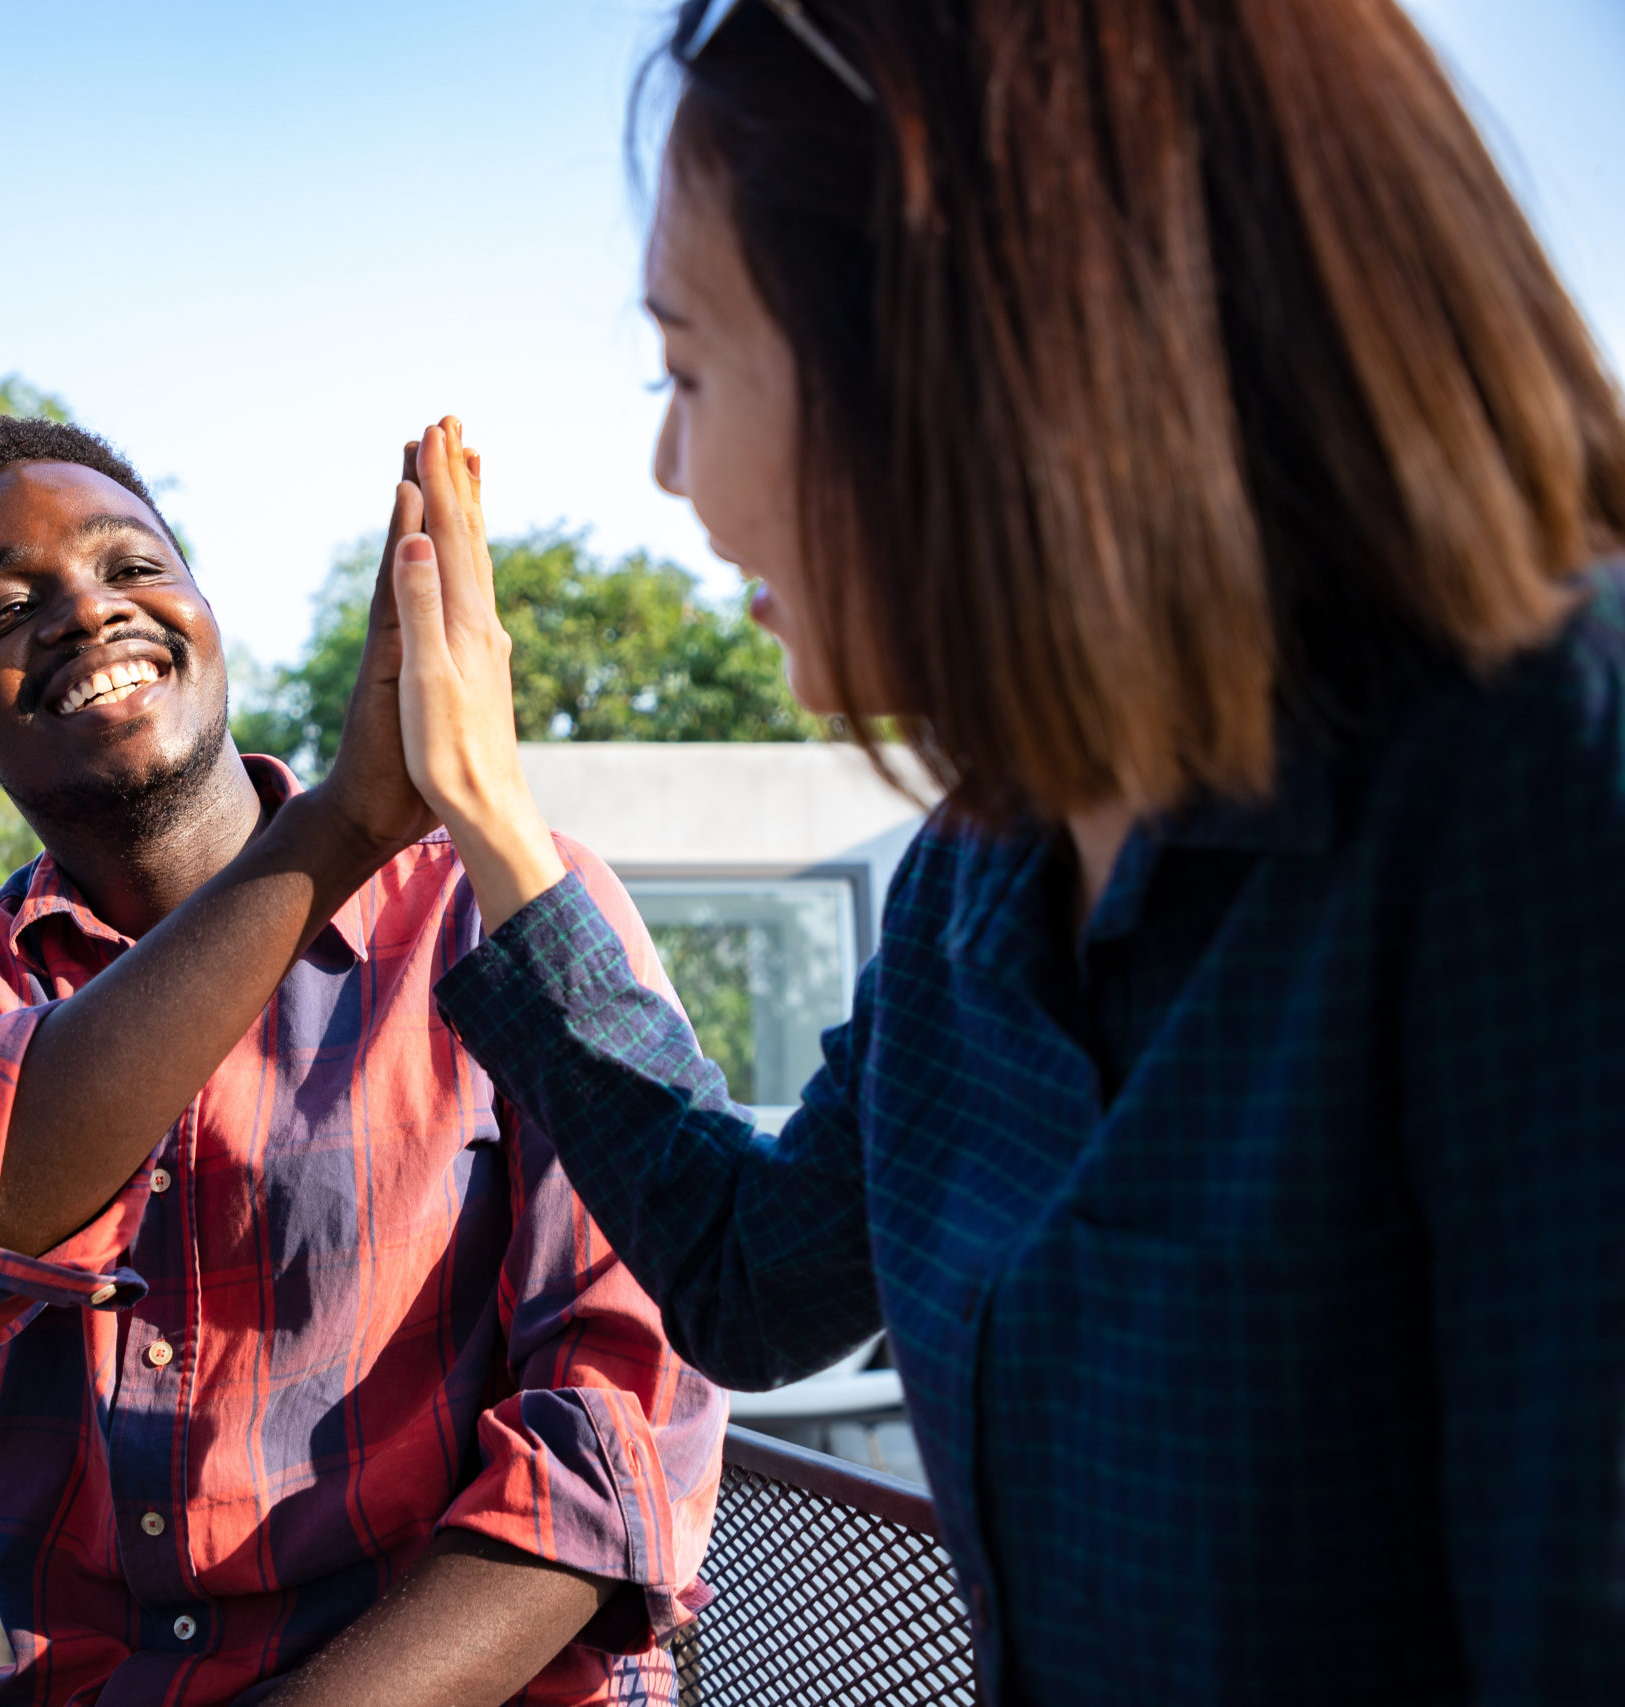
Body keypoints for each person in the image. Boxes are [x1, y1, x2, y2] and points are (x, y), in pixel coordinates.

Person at [380, 2, 1625, 1703]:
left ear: (958, 358)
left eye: (685, 367)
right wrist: (489, 818)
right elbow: (751, 1278)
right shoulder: (987, 866)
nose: (671, 469)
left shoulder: (1546, 783)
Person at [0, 414, 724, 1707]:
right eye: (5, 607)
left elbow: (614, 1445)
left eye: (133, 567)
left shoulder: (501, 906)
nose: (86, 613)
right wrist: (343, 825)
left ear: (203, 612)